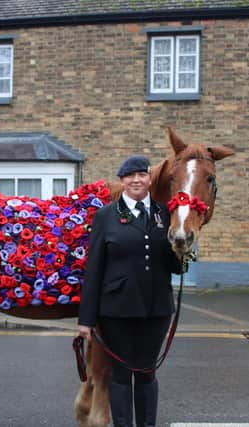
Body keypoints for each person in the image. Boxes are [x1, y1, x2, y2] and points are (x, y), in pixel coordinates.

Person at [78, 155, 183, 427]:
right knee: (121, 375)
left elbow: (175, 266)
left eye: (141, 175)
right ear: (122, 181)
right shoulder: (105, 216)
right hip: (117, 311)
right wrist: (86, 320)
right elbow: (94, 269)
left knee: (147, 373)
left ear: (149, 179)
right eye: (130, 176)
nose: (137, 180)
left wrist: (184, 251)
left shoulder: (163, 213)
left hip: (157, 309)